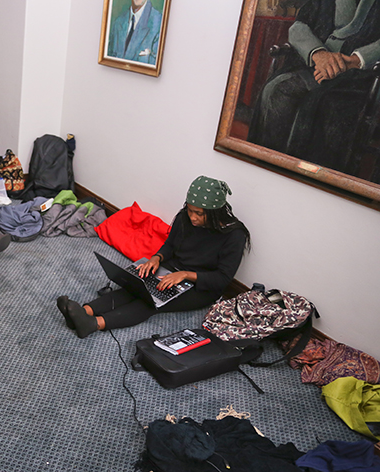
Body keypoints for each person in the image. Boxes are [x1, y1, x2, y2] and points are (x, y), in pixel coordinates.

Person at [56, 176, 251, 339]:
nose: (192, 217)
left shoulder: (235, 235)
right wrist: (156, 258)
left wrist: (184, 275)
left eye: (199, 214)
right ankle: (83, 312)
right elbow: (170, 245)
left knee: (152, 299)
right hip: (172, 268)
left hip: (202, 286)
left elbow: (222, 279)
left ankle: (93, 324)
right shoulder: (185, 217)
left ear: (216, 213)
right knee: (136, 285)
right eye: (190, 210)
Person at [247, 0, 380, 170]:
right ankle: (265, 163)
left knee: (326, 106)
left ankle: (308, 175)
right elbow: (298, 27)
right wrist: (318, 54)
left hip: (359, 76)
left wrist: (355, 60)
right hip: (314, 64)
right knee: (276, 89)